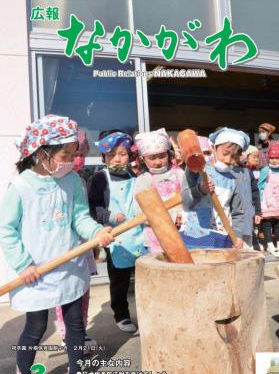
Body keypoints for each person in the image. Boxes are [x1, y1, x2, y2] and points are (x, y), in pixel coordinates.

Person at [0, 115, 113, 374]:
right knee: (35, 329)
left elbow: (79, 218)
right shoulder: (21, 186)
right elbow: (6, 230)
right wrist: (24, 264)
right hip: (35, 274)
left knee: (75, 324)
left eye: (74, 154)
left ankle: (76, 373)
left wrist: (96, 233)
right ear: (42, 153)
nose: (71, 161)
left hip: (69, 267)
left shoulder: (72, 180)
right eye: (65, 155)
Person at [88, 130, 144, 333]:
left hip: (138, 233)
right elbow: (93, 208)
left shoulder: (134, 176)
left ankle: (146, 314)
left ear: (130, 155)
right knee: (119, 280)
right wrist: (110, 216)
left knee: (143, 278)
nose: (117, 158)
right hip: (116, 236)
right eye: (111, 155)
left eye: (122, 153)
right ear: (103, 157)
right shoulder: (99, 179)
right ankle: (121, 315)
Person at [55, 130, 98, 348]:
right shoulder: (53, 181)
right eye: (72, 154)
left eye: (80, 153)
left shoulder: (79, 180)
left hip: (82, 243)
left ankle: (80, 331)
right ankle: (66, 332)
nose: (77, 158)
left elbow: (83, 215)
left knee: (83, 289)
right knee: (64, 291)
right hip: (62, 247)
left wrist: (94, 235)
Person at [181, 127, 248, 249]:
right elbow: (184, 201)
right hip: (194, 234)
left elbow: (238, 213)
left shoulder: (233, 180)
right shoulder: (196, 168)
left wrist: (237, 235)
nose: (228, 160)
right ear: (213, 148)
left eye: (234, 157)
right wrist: (200, 190)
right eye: (225, 154)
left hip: (221, 237)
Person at [134, 128, 185, 252]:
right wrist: (164, 221)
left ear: (169, 154)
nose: (157, 162)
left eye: (162, 156)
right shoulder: (143, 180)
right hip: (154, 235)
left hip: (180, 232)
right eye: (152, 158)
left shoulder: (179, 174)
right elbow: (139, 210)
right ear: (143, 159)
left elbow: (187, 199)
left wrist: (182, 216)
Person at [258, 142, 279, 258]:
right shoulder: (266, 170)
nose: (274, 160)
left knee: (278, 224)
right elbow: (259, 186)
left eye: (277, 158)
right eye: (272, 158)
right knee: (266, 225)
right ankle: (270, 245)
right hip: (266, 203)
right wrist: (259, 203)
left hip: (278, 203)